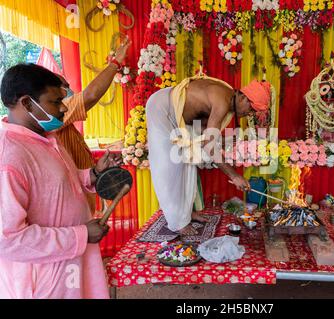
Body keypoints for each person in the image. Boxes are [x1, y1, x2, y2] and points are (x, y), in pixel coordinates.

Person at [0, 64, 122, 299]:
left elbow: (62, 182)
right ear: (26, 103)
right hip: (45, 279)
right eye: (55, 102)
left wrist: (94, 174)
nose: (64, 108)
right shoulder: (9, 156)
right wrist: (80, 235)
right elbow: (8, 239)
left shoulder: (45, 137)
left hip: (71, 265)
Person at [146, 73, 272, 235]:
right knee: (170, 167)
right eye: (251, 110)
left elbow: (205, 130)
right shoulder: (222, 102)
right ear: (244, 99)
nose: (249, 115)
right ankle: (177, 222)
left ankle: (186, 214)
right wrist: (234, 176)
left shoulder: (229, 97)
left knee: (188, 164)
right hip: (162, 109)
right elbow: (209, 146)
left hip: (182, 120)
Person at [56, 37, 131, 212]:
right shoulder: (59, 110)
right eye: (64, 88)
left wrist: (97, 168)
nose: (69, 91)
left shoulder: (62, 119)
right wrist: (116, 62)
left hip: (82, 199)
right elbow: (90, 96)